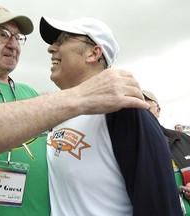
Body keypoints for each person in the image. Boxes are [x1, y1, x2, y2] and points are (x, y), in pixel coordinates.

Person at [0, 4, 149, 216]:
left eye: (17, 37)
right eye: (2, 34)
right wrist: (80, 95)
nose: (13, 43)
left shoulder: (29, 93)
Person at [39, 16, 182, 215]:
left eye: (62, 40)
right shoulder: (58, 114)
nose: (51, 48)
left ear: (93, 52)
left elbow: (159, 205)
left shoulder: (125, 111)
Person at [143, 90, 190, 216]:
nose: (141, 113)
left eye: (146, 107)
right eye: (135, 108)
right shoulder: (123, 147)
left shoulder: (184, 140)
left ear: (158, 111)